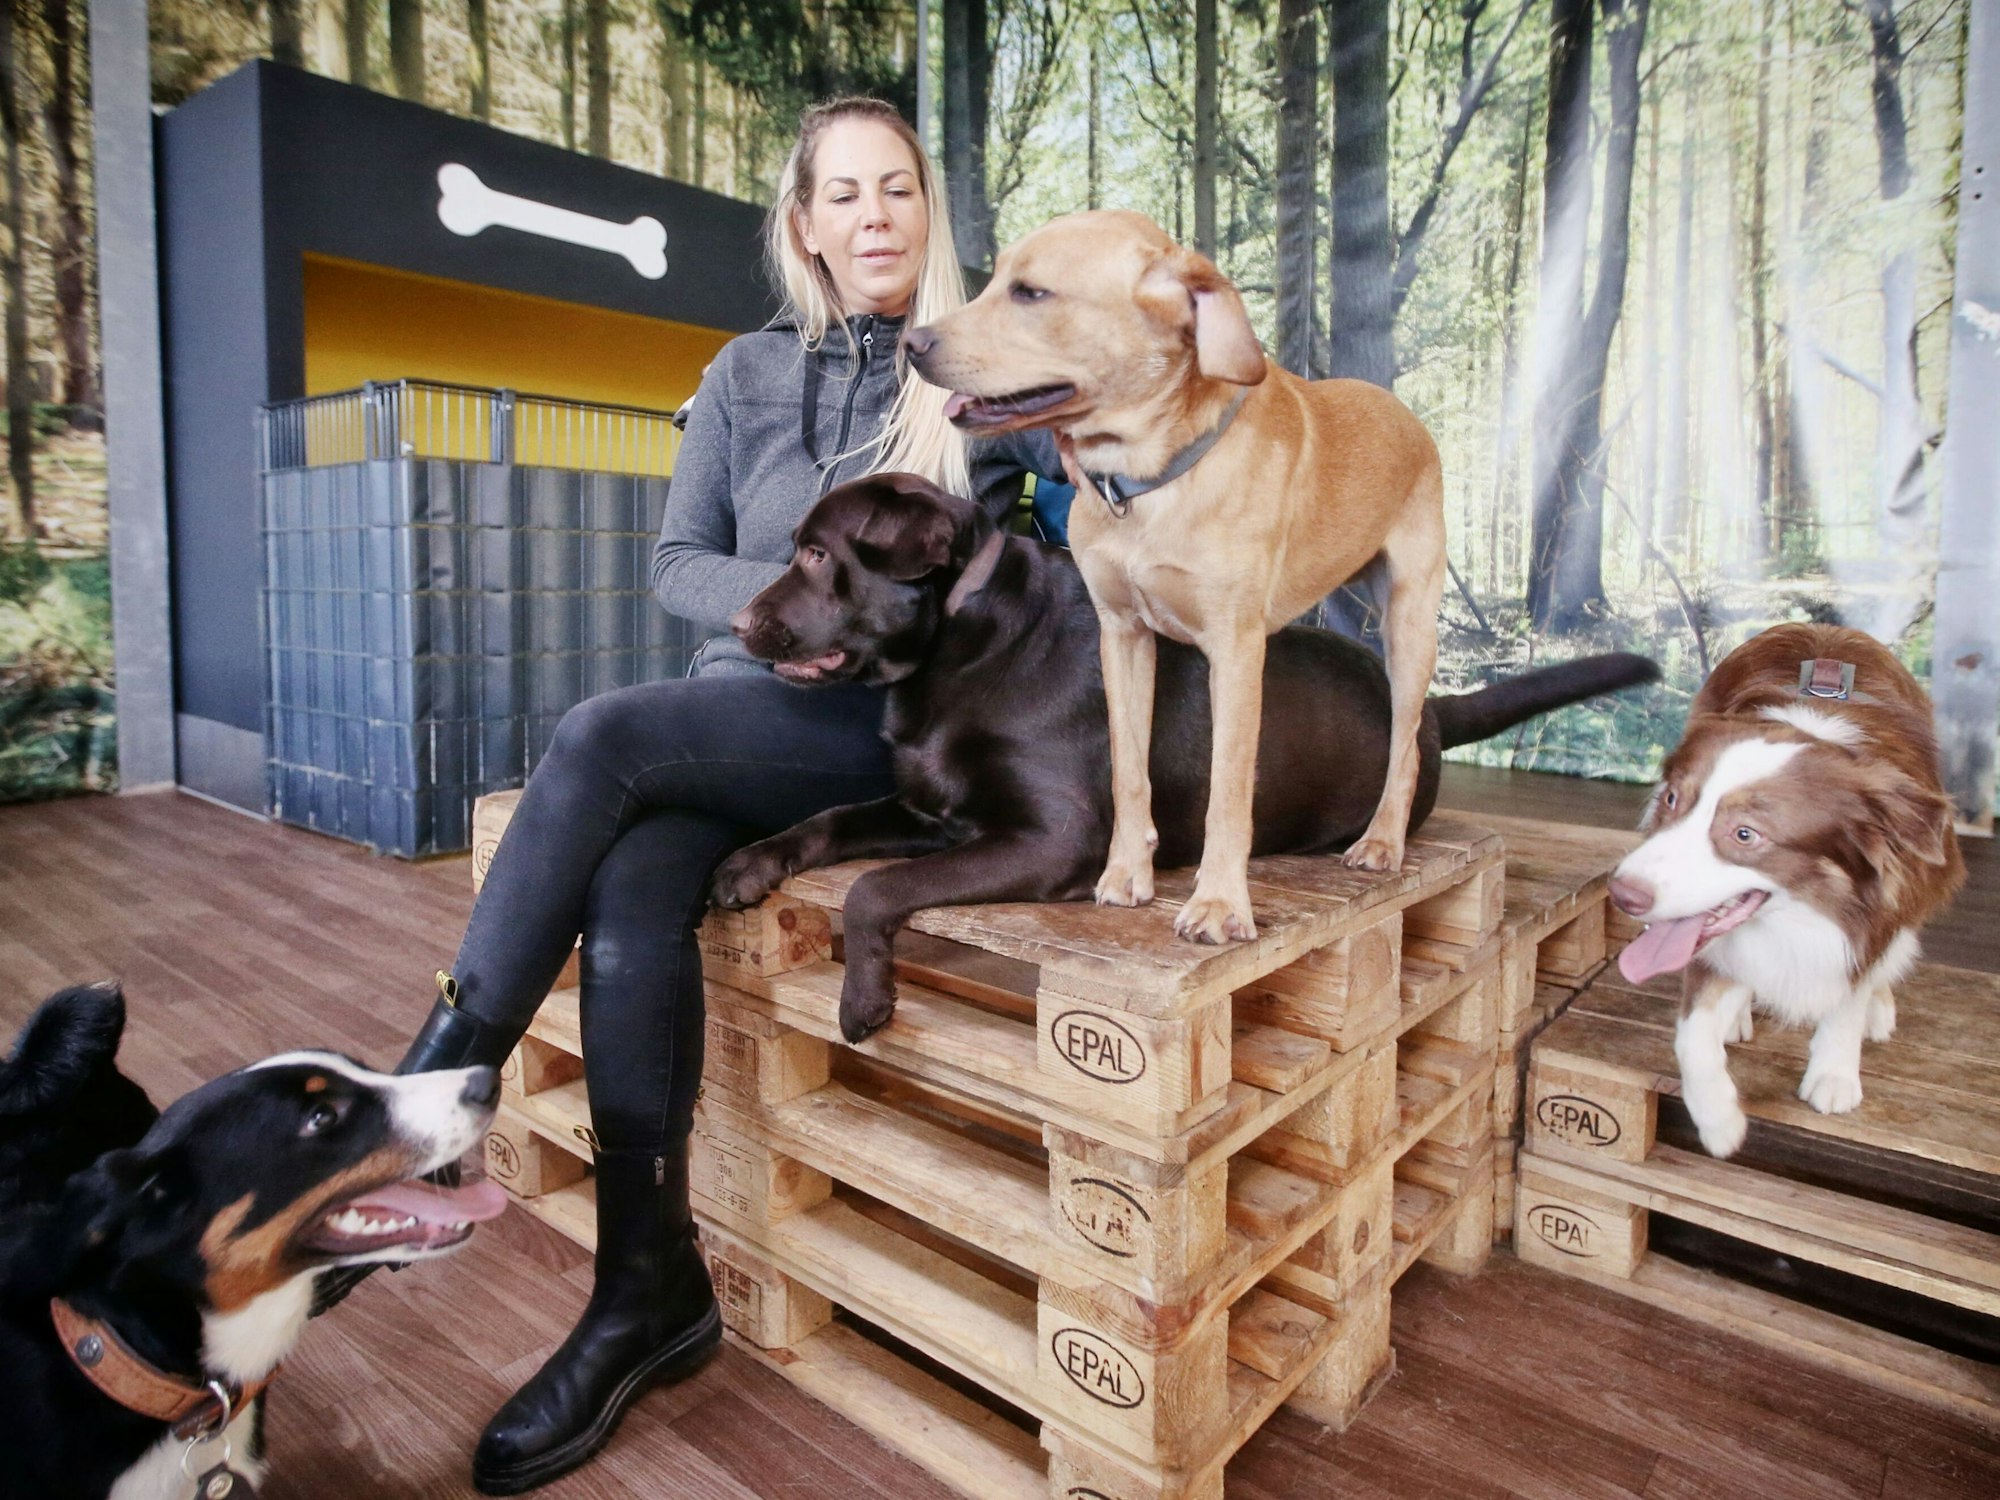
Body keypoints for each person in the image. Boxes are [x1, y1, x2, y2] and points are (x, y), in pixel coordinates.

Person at [346, 97, 1051, 1496]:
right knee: (628, 896)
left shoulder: (982, 379)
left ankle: (436, 1084)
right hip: (736, 707)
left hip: (885, 733)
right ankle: (645, 1295)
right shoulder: (740, 375)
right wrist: (801, 607)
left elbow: (1079, 526)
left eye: (898, 189)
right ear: (804, 224)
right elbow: (675, 564)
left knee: (603, 734)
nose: (874, 216)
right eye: (843, 194)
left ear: (929, 211)